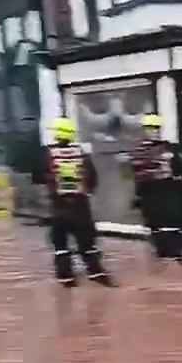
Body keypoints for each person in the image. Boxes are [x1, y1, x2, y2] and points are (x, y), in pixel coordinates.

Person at [33, 117, 115, 288]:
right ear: (71, 134)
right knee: (88, 244)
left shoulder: (47, 154)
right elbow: (93, 180)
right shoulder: (82, 154)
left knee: (61, 245)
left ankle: (67, 279)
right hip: (81, 208)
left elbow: (38, 177)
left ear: (56, 134)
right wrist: (85, 193)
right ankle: (97, 273)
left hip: (59, 208)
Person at [131, 114, 182, 265]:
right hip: (150, 192)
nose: (154, 132)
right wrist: (138, 195)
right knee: (155, 223)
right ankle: (162, 253)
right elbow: (136, 173)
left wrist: (178, 173)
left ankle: (175, 254)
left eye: (156, 128)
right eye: (151, 129)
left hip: (168, 190)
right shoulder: (139, 150)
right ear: (145, 130)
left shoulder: (169, 147)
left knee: (171, 220)